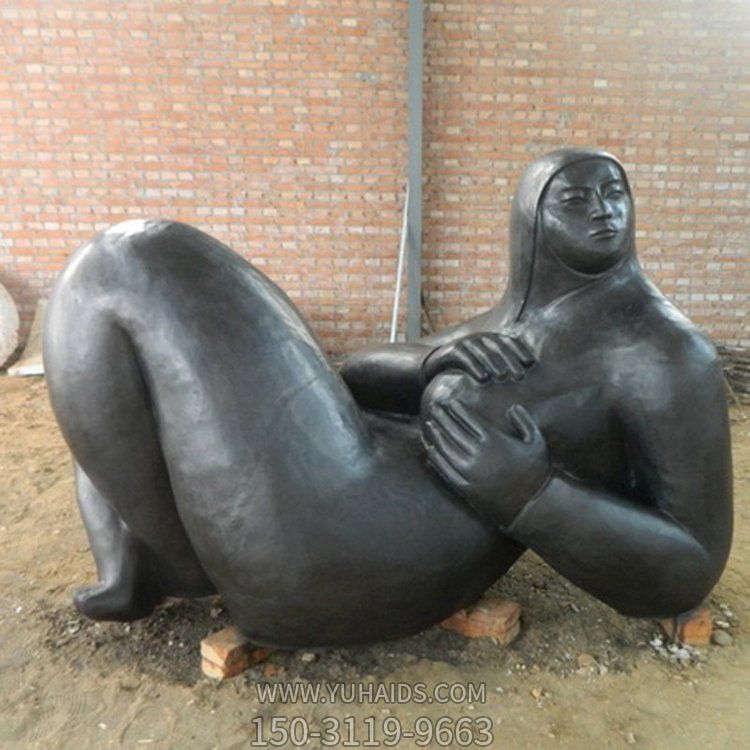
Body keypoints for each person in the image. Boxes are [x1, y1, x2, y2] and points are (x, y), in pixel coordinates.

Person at [43, 148, 732, 648]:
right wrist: (432, 360)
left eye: (615, 192)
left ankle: (170, 559)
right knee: (134, 373)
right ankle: (160, 561)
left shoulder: (663, 353)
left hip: (359, 547)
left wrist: (534, 495)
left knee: (128, 263)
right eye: (574, 198)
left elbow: (690, 566)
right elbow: (352, 374)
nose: (603, 210)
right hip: (346, 471)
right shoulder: (519, 320)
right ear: (530, 219)